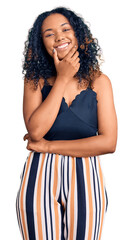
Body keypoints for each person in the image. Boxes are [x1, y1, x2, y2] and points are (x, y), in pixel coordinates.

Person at [15, 6, 117, 240]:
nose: (59, 36)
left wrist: (50, 147)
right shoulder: (35, 81)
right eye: (49, 33)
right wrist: (62, 78)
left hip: (86, 175)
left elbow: (108, 142)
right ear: (42, 44)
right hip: (39, 174)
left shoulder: (100, 82)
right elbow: (36, 132)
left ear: (78, 36)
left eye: (65, 29)